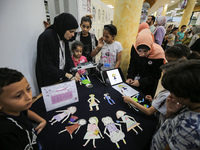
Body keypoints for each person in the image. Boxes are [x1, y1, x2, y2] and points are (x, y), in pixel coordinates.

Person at [151, 60, 200, 150]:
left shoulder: (190, 128)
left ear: (186, 97)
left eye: (172, 92)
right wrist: (170, 113)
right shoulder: (191, 104)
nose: (169, 95)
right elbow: (170, 126)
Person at [0, 68, 47, 149]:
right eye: (18, 96)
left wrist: (42, 120)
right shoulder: (5, 133)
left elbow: (26, 112)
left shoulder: (16, 109)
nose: (29, 97)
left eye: (28, 89)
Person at [36, 13, 81, 91]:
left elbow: (67, 57)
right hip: (50, 82)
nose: (73, 35)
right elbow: (46, 66)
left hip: (61, 78)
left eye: (74, 32)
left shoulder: (63, 36)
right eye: (71, 31)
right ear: (63, 28)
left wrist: (74, 71)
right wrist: (66, 74)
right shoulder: (46, 38)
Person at [126, 29, 166, 97]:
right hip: (135, 80)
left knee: (145, 101)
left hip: (149, 84)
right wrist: (130, 77)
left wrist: (141, 82)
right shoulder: (134, 48)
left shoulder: (158, 53)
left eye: (145, 51)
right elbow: (133, 64)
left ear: (150, 47)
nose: (141, 54)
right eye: (139, 51)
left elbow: (156, 75)